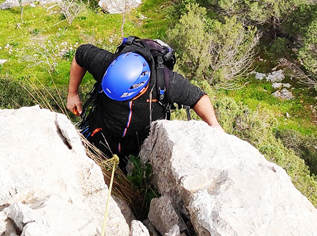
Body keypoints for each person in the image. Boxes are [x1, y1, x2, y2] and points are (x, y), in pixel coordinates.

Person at [66, 40, 222, 158]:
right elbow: (81, 54)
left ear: (141, 87)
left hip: (140, 145)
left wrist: (214, 125)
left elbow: (198, 98)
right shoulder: (106, 64)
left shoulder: (167, 83)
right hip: (102, 132)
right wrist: (72, 94)